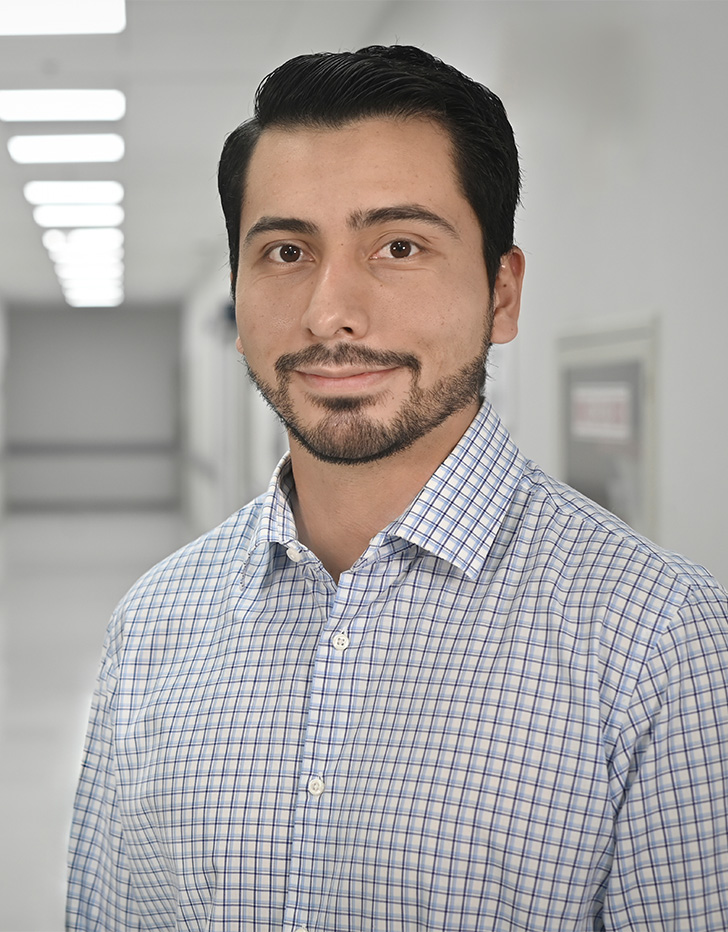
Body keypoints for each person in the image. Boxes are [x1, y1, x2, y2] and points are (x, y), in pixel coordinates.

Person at [67, 45, 728, 931]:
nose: (330, 310)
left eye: (399, 245)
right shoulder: (154, 623)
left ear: (501, 293)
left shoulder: (656, 642)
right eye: (288, 250)